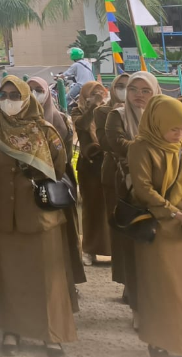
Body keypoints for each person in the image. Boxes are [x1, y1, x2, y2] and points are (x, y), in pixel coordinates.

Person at [0, 76, 76, 356]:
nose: (8, 100)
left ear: (27, 99)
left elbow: (59, 168)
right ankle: (12, 330)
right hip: (3, 215)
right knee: (9, 277)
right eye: (3, 95)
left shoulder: (45, 130)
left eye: (15, 95)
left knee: (47, 278)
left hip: (38, 214)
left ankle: (51, 334)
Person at [127, 96, 182, 357]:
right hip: (160, 229)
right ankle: (160, 341)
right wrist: (176, 214)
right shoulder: (141, 147)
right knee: (163, 290)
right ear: (158, 123)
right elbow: (144, 189)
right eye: (174, 129)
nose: (180, 135)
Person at [104, 71, 160, 319]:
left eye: (145, 90)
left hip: (164, 188)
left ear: (155, 92)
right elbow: (118, 144)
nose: (139, 95)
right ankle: (137, 307)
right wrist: (157, 149)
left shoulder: (162, 115)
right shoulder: (116, 115)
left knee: (159, 249)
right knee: (136, 245)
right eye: (133, 89)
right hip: (130, 189)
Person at [28, 76, 85, 288]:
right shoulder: (17, 121)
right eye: (29, 89)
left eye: (38, 89)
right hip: (29, 185)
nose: (34, 94)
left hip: (58, 181)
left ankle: (67, 283)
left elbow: (66, 154)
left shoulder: (59, 120)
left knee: (64, 234)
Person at [71, 82, 111, 265]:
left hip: (108, 162)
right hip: (89, 164)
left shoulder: (109, 110)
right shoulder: (77, 110)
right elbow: (82, 125)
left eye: (100, 92)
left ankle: (112, 249)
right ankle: (89, 249)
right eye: (93, 93)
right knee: (91, 208)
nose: (98, 95)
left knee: (110, 208)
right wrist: (92, 106)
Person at [97, 73, 129, 286]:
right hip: (114, 173)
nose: (125, 91)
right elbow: (106, 143)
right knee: (120, 226)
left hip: (144, 174)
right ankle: (125, 280)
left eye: (129, 86)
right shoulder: (103, 112)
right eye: (121, 86)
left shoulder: (148, 111)